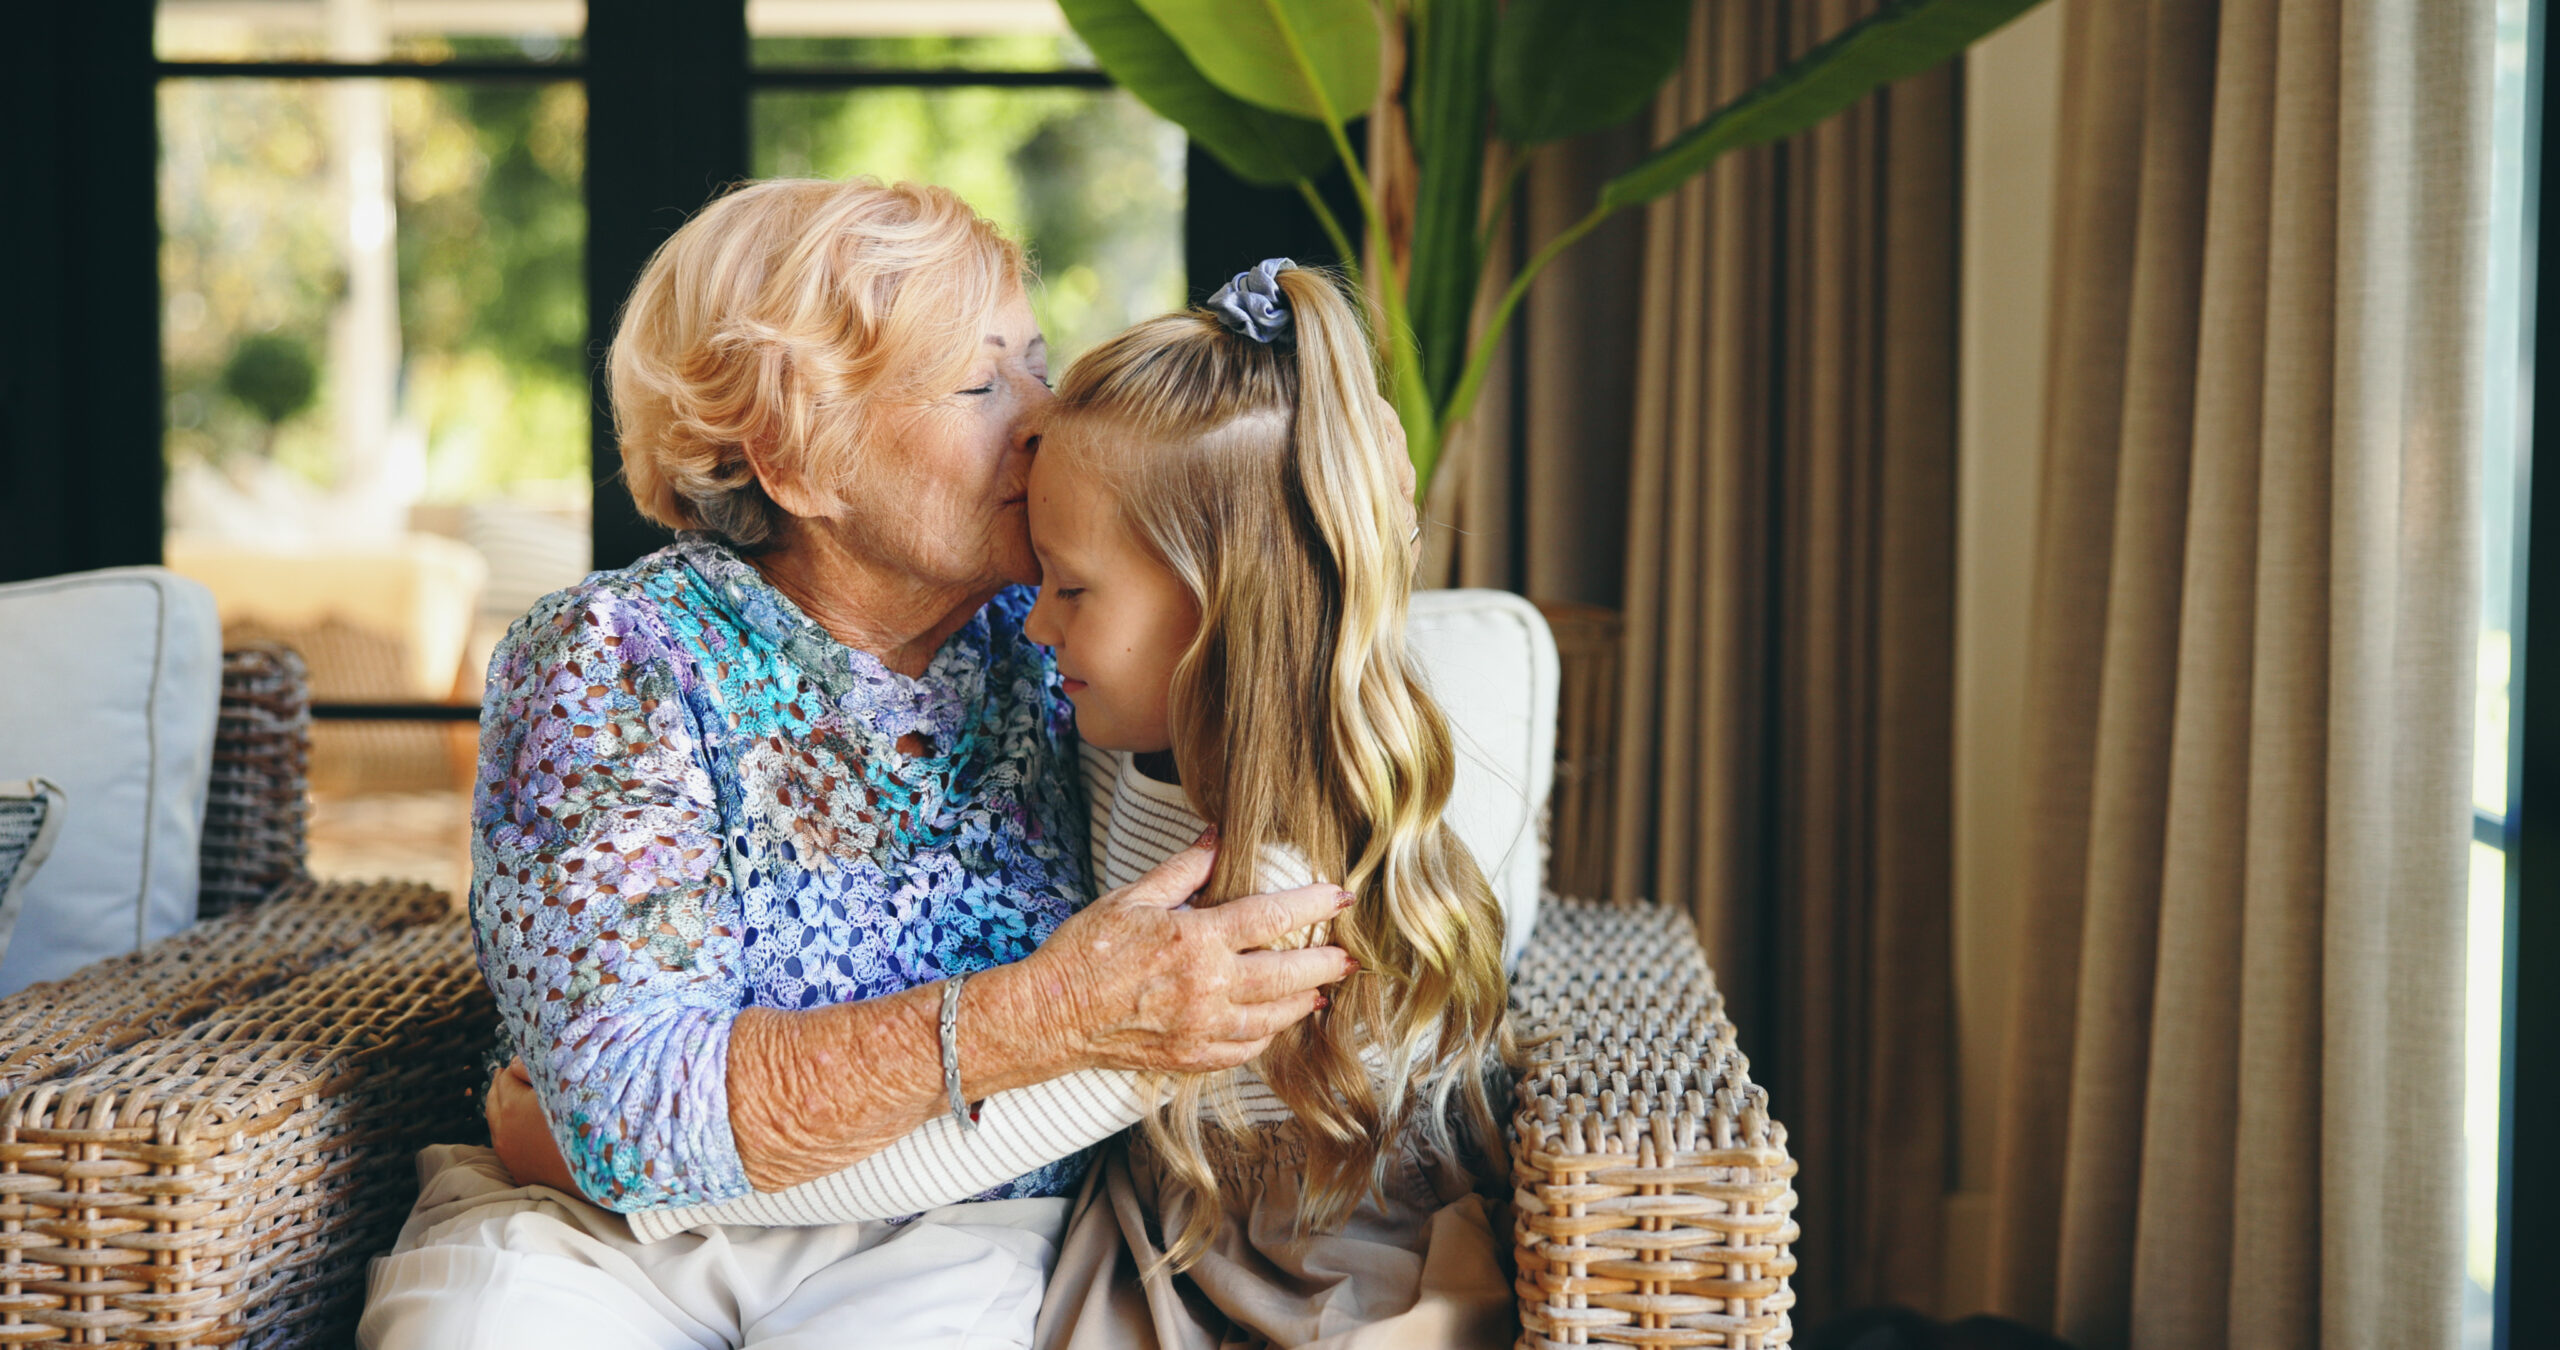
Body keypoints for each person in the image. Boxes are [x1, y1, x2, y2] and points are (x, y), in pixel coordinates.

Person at [356, 179, 1354, 1350]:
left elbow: (1261, 836)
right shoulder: (615, 657)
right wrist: (1048, 1011)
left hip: (960, 1230)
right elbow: (629, 1119)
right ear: (793, 457)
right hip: (592, 1235)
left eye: (1038, 361)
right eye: (982, 385)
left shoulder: (1068, 627)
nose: (1044, 417)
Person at [1022, 260, 1516, 1348]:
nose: (1033, 627)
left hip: (1316, 1238)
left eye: (1068, 588)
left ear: (1214, 603)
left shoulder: (1281, 871)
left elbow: (1067, 1095)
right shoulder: (1138, 734)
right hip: (1171, 1195)